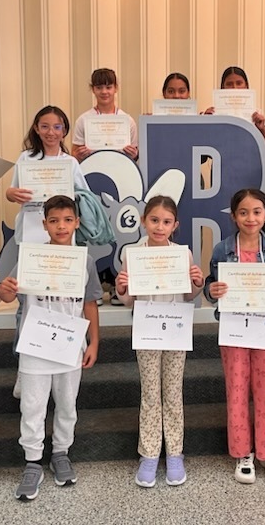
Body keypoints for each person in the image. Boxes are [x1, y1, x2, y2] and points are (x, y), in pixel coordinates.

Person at [0, 195, 102, 501]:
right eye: (54, 221)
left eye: (67, 220)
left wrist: (94, 341)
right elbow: (7, 296)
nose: (61, 226)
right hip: (35, 347)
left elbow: (90, 304)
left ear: (77, 223)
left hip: (70, 346)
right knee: (32, 407)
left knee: (67, 404)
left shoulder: (85, 261)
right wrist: (5, 289)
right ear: (44, 225)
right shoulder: (30, 258)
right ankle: (32, 461)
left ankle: (61, 453)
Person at [203, 189, 265, 484]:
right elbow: (210, 285)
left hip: (264, 330)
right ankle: (243, 452)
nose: (250, 218)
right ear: (234, 216)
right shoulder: (222, 249)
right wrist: (211, 290)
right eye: (243, 212)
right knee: (237, 389)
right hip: (233, 329)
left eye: (257, 212)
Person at [115, 196, 204, 487]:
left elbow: (189, 295)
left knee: (173, 392)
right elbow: (129, 300)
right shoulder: (132, 254)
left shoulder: (182, 254)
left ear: (175, 225)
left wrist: (197, 283)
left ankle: (175, 452)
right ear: (143, 221)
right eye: (154, 220)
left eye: (166, 222)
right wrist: (121, 288)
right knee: (151, 393)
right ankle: (150, 453)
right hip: (147, 330)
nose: (159, 227)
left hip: (175, 330)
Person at [6, 105, 90, 245]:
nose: (51, 132)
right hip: (30, 225)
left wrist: (71, 195)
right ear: (36, 128)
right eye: (45, 126)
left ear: (64, 131)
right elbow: (11, 192)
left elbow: (85, 196)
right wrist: (10, 193)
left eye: (57, 127)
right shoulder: (26, 158)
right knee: (32, 258)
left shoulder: (70, 162)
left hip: (62, 228)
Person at [71, 68, 138, 162]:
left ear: (116, 88)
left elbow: (135, 155)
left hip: (120, 168)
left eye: (108, 87)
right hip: (92, 168)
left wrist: (134, 155)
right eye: (99, 88)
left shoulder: (128, 121)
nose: (104, 92)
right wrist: (78, 155)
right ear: (93, 89)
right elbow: (74, 154)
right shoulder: (83, 120)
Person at [203, 66, 265, 147]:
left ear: (246, 86)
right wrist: (206, 123)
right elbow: (205, 145)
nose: (234, 87)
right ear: (223, 87)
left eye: (239, 83)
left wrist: (262, 130)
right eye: (229, 84)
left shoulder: (257, 114)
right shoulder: (213, 113)